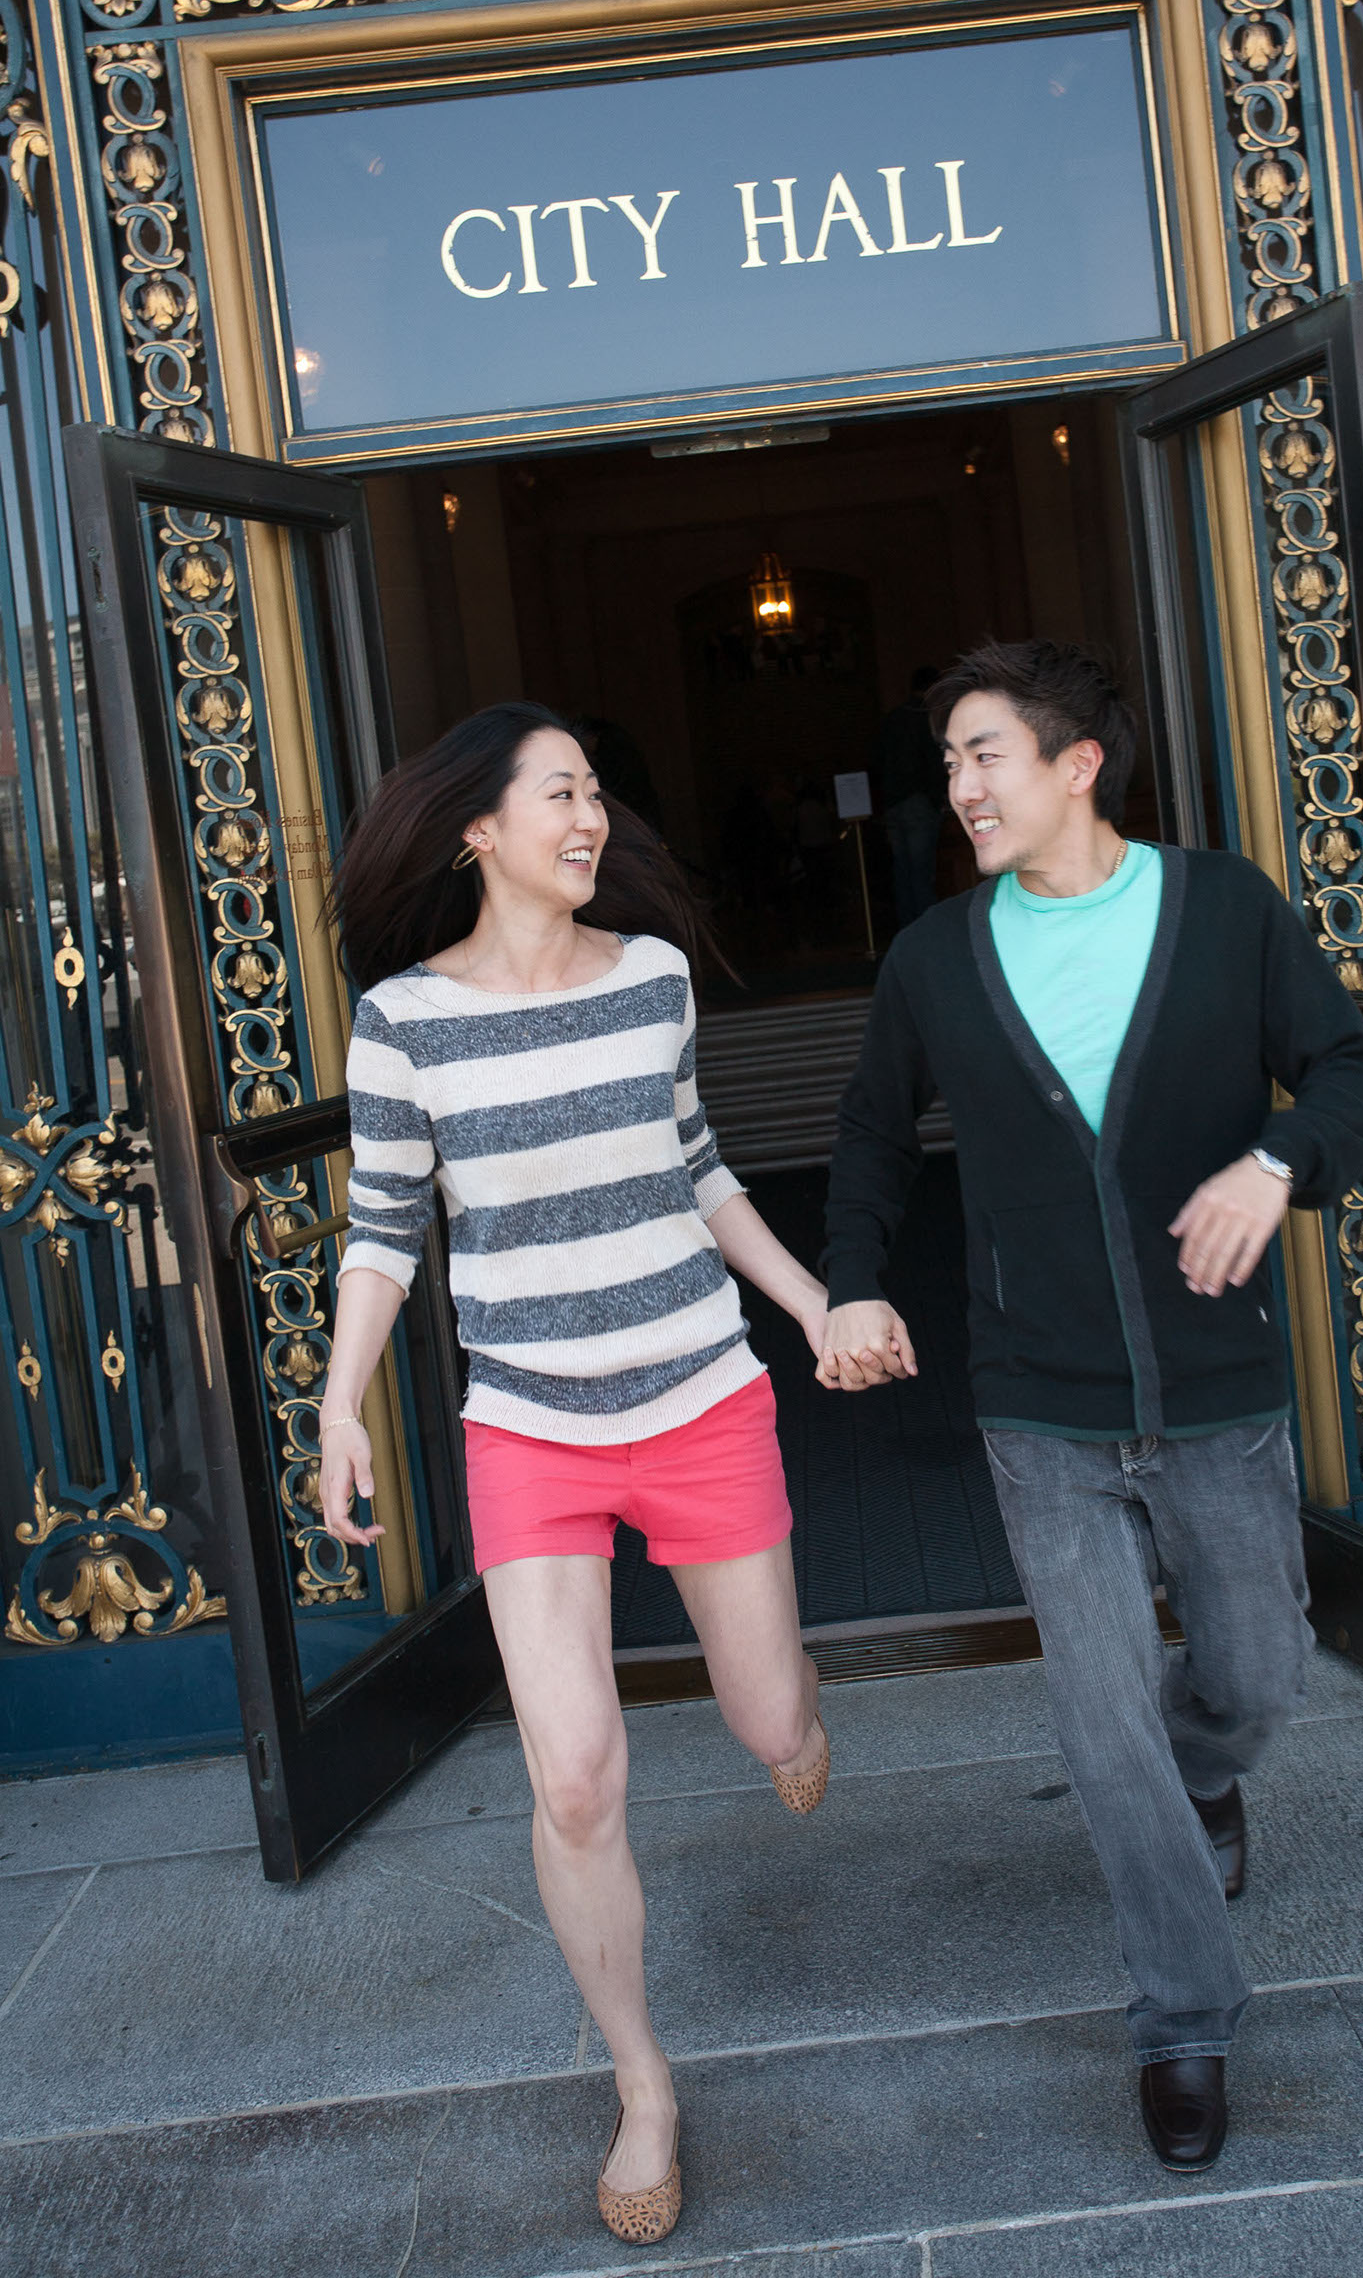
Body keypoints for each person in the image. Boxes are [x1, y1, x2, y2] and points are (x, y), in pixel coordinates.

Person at [816, 639, 1363, 2174]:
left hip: (1214, 1385)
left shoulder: (1226, 912)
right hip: (1038, 1402)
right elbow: (871, 1136)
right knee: (1098, 1710)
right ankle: (1182, 2020)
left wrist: (1275, 1166)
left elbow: (1348, 1078)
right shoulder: (935, 957)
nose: (959, 788)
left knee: (1257, 1673)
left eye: (982, 755)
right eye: (945, 764)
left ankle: (1212, 1779)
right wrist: (848, 1284)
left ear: (1077, 763)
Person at [317, 702, 832, 2247]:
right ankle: (641, 2086)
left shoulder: (652, 981)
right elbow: (385, 1234)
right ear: (477, 827)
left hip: (699, 1397)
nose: (589, 816)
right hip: (529, 1428)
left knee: (766, 1718)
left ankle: (794, 1704)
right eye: (560, 793)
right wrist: (340, 1402)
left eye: (597, 791)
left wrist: (806, 1303)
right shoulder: (406, 1019)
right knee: (576, 1776)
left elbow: (696, 1169)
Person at [875, 665, 948, 926]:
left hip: (894, 802)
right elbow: (932, 762)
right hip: (919, 801)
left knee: (903, 870)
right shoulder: (925, 718)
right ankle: (926, 929)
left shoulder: (892, 718)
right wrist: (938, 797)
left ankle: (907, 928)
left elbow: (879, 761)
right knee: (921, 872)